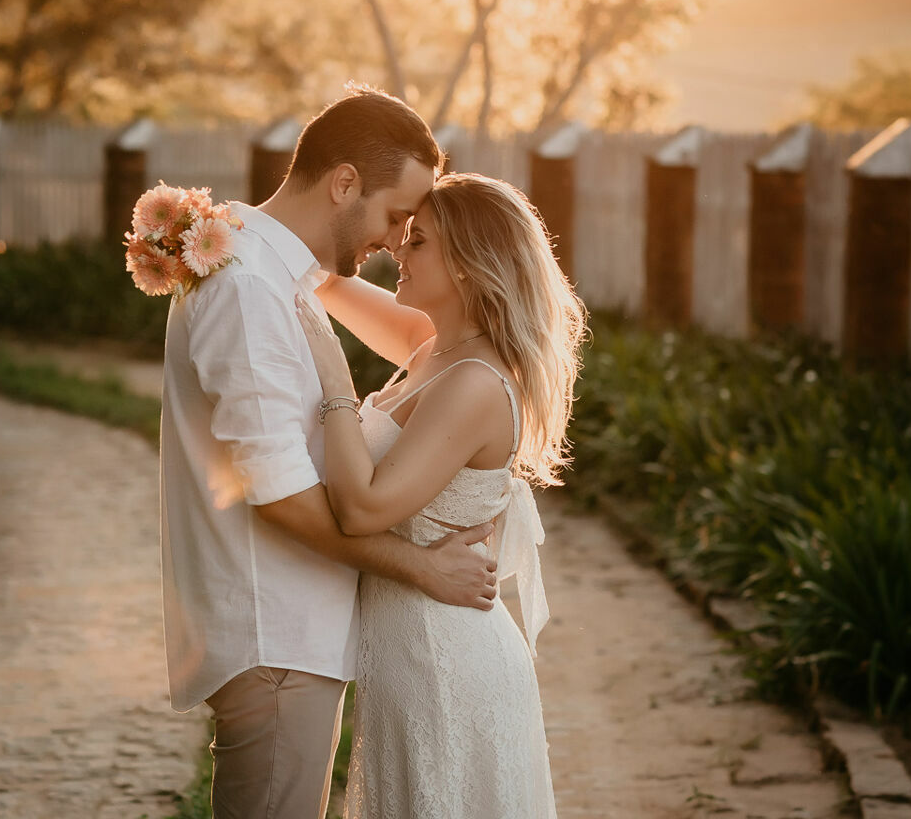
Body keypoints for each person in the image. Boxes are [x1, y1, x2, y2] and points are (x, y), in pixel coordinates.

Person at [158, 86, 502, 819]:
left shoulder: (269, 272)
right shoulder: (250, 289)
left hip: (290, 632)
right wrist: (424, 567)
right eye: (395, 215)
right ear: (345, 183)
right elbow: (281, 497)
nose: (397, 239)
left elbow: (432, 343)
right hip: (276, 634)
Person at [299, 170, 588, 819]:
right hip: (408, 659)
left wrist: (336, 385)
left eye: (419, 240)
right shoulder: (431, 347)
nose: (398, 249)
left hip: (445, 666)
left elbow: (362, 508)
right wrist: (232, 230)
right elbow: (323, 282)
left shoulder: (475, 382)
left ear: (467, 263)